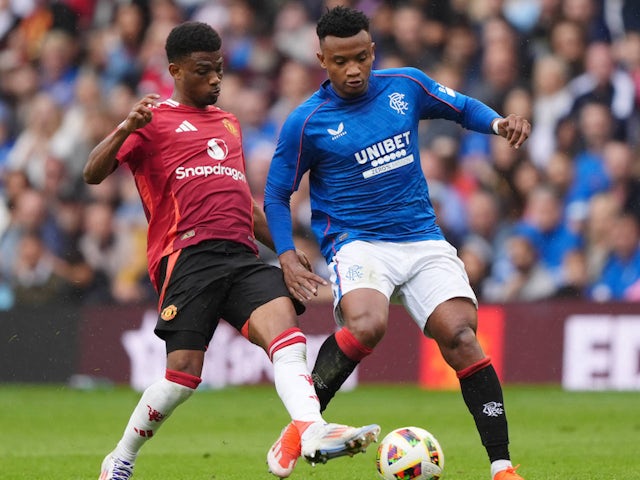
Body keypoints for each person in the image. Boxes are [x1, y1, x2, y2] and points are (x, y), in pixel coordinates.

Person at [83, 21, 379, 480]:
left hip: (241, 255)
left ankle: (313, 432)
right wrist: (125, 128)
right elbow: (91, 174)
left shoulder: (228, 123)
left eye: (219, 69)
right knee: (182, 376)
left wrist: (283, 251)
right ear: (175, 71)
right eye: (204, 71)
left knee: (288, 337)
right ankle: (121, 457)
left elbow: (243, 202)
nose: (216, 79)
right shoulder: (151, 121)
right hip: (187, 256)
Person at [263, 6, 531, 480]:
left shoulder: (405, 85)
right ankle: (301, 427)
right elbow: (276, 193)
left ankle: (503, 466)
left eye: (362, 58)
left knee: (463, 337)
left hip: (422, 237)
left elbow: (462, 107)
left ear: (372, 52)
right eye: (341, 61)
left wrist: (497, 123)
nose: (353, 70)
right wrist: (285, 252)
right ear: (321, 59)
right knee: (367, 324)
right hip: (358, 242)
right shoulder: (306, 121)